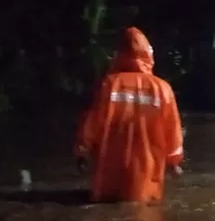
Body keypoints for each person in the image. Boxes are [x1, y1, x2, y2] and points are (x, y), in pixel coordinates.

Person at [74, 26, 184, 203]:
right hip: (146, 174)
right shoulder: (163, 88)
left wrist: (82, 151)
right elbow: (172, 129)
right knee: (143, 216)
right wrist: (174, 159)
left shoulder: (108, 84)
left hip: (109, 174)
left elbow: (92, 122)